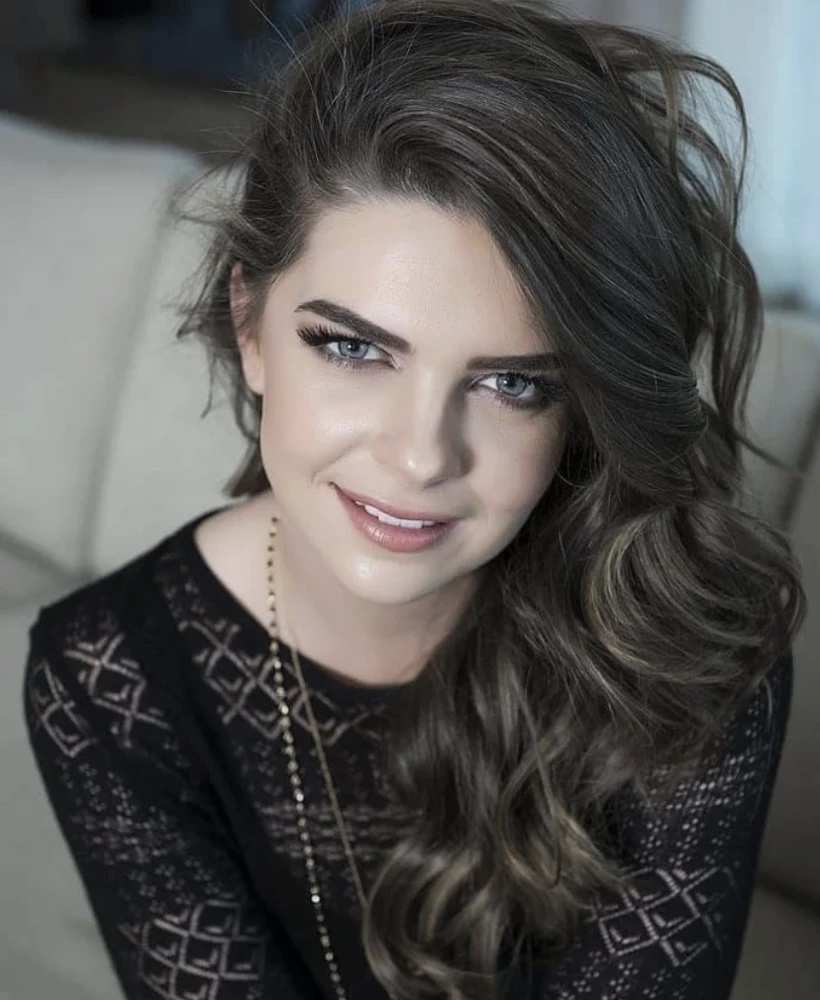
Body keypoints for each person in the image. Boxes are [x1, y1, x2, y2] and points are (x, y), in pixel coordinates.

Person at [21, 1, 805, 999]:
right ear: (249, 325)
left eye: (512, 382)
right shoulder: (107, 675)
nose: (419, 455)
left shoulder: (688, 653)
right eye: (353, 348)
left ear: (581, 407)